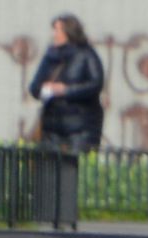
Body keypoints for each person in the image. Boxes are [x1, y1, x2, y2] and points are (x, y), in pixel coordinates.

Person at [29, 15, 104, 150]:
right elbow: (34, 87)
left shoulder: (86, 54)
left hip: (79, 130)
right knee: (50, 169)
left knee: (73, 168)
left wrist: (66, 90)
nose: (54, 34)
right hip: (51, 129)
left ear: (69, 32)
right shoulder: (50, 56)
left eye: (58, 30)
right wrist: (43, 89)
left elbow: (95, 84)